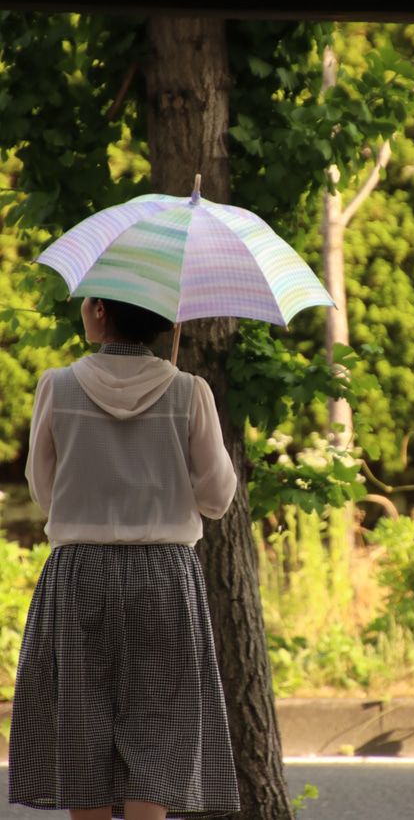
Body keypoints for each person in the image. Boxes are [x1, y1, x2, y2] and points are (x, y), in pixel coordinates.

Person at [9, 297, 240, 820]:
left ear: (101, 313)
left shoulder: (57, 386)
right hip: (164, 574)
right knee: (160, 726)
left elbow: (45, 490)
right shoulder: (189, 390)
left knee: (82, 720)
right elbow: (217, 498)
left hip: (78, 572)